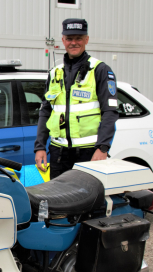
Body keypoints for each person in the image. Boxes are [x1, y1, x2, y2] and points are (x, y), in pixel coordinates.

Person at [34, 18, 119, 180]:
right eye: (69, 38)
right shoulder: (54, 73)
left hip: (89, 153)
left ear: (86, 40)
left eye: (78, 38)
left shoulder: (100, 70)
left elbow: (110, 112)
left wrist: (102, 148)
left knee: (88, 202)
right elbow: (45, 112)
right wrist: (40, 147)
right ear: (63, 40)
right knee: (58, 200)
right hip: (58, 152)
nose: (74, 42)